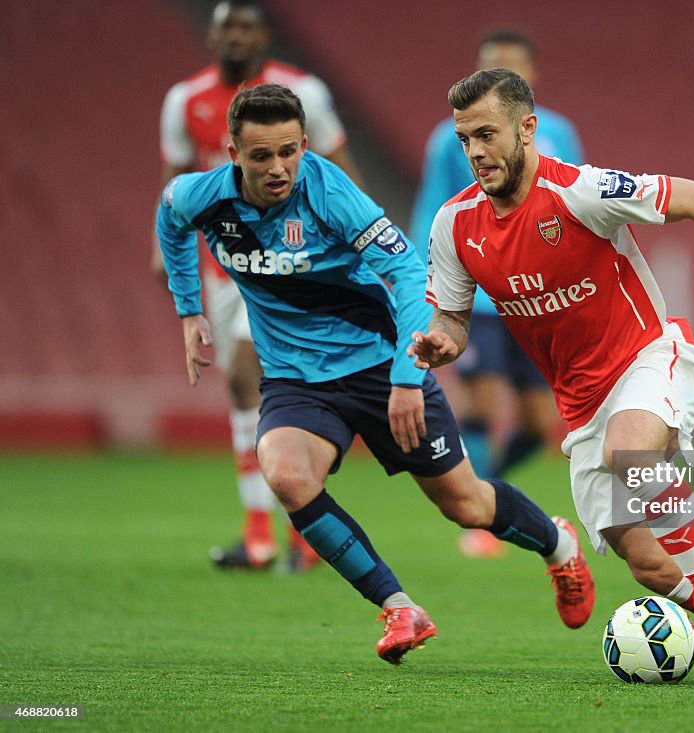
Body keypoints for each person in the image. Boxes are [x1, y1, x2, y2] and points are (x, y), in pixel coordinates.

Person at [412, 68, 694, 680]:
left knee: (630, 453)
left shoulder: (581, 192)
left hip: (648, 357)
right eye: (464, 140)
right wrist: (441, 343)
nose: (475, 152)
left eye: (486, 134)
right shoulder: (454, 226)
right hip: (580, 408)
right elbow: (453, 318)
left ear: (527, 129)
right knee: (653, 568)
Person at [156, 83, 595, 664]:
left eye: (288, 151)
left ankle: (559, 546)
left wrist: (406, 379)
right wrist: (190, 310)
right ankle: (398, 607)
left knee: (465, 505)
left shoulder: (331, 195)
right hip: (295, 379)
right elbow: (169, 220)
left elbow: (412, 277)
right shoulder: (201, 196)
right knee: (286, 475)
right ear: (232, 152)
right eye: (260, 156)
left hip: (378, 365)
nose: (278, 167)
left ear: (304, 144)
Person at [154, 0, 364, 572]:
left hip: (295, 261)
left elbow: (340, 165)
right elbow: (178, 182)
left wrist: (356, 238)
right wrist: (162, 249)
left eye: (246, 27)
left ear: (264, 35)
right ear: (213, 37)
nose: (235, 37)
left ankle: (291, 531)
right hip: (225, 266)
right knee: (243, 391)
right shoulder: (185, 101)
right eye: (226, 28)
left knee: (254, 371)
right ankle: (264, 533)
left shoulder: (304, 93)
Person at [410, 27, 583, 558]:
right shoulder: (450, 138)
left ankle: (491, 492)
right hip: (482, 296)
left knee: (538, 425)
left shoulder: (557, 131)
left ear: (529, 77)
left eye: (511, 67)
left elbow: (574, 199)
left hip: (537, 300)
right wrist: (428, 279)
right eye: (492, 65)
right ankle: (479, 522)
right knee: (483, 408)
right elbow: (436, 208)